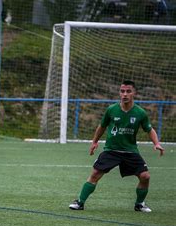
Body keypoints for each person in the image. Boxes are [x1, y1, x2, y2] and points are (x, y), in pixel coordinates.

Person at [69, 80, 164, 212]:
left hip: (130, 151)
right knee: (95, 174)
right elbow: (102, 126)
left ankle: (139, 204)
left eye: (128, 91)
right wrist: (95, 142)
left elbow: (149, 129)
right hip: (111, 150)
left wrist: (157, 143)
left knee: (145, 176)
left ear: (134, 93)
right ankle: (80, 202)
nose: (125, 94)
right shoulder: (111, 109)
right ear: (119, 93)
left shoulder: (140, 113)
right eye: (122, 91)